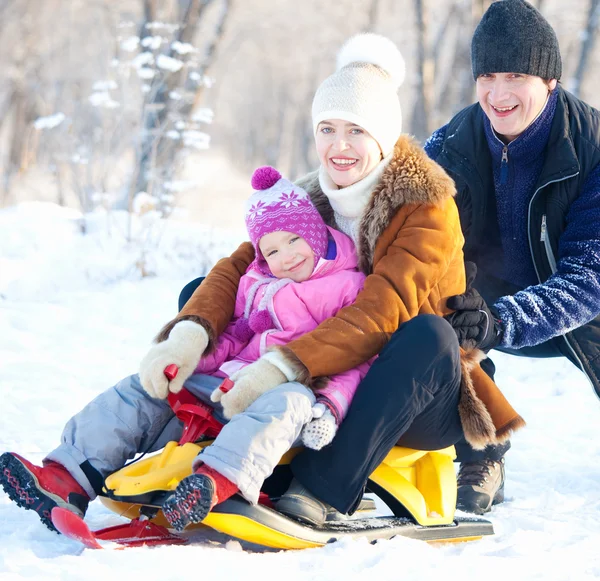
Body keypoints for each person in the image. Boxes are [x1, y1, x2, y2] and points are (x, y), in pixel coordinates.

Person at [166, 32, 525, 527]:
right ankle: (203, 445)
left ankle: (321, 486)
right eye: (327, 129)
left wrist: (282, 365)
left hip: (412, 390)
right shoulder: (310, 195)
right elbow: (242, 265)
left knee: (427, 335)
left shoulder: (426, 205)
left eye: (355, 130)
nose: (339, 146)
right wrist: (190, 330)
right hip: (324, 375)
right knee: (205, 296)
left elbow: (383, 311)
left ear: (381, 138)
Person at [0, 166, 371, 532]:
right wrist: (191, 362)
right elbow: (234, 335)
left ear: (315, 233)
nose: (286, 256)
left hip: (287, 388)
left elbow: (352, 355)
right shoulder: (257, 280)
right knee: (140, 392)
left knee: (288, 402)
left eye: (294, 240)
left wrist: (331, 406)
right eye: (272, 250)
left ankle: (214, 483)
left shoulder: (346, 287)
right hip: (225, 385)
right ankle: (66, 476)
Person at [424, 0, 600, 515]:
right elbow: (413, 244)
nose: (499, 94)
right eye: (488, 75)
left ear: (549, 81)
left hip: (580, 308)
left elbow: (591, 276)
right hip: (479, 300)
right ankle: (482, 453)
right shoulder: (449, 146)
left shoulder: (592, 148)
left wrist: (503, 321)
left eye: (517, 75)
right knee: (422, 314)